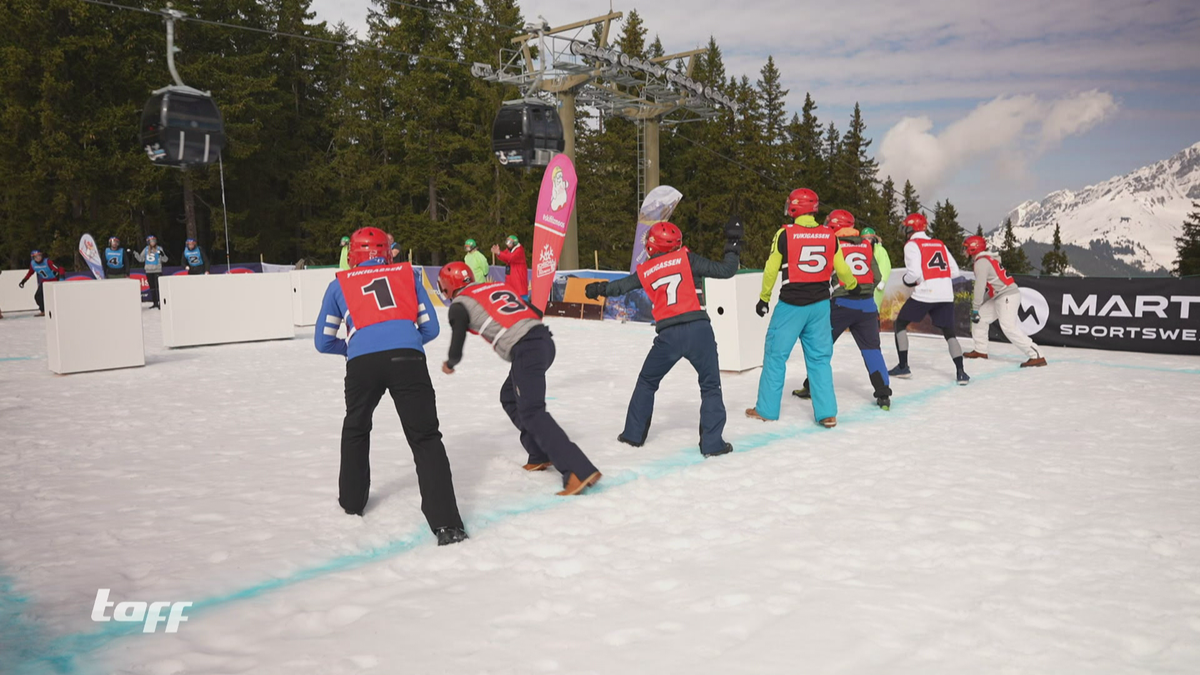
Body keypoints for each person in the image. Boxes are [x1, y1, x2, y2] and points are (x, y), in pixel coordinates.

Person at [314, 227, 467, 545]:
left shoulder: (338, 284)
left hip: (361, 364)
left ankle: (352, 503)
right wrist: (408, 343)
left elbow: (323, 340)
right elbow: (432, 327)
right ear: (387, 251)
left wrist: (353, 348)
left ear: (353, 254)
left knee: (356, 428)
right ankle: (447, 526)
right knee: (426, 438)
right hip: (408, 359)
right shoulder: (407, 274)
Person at [439, 262, 602, 495]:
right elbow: (533, 312)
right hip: (543, 341)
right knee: (509, 396)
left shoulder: (459, 304)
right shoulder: (495, 286)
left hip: (527, 349)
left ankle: (578, 469)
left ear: (446, 288)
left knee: (533, 411)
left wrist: (451, 362)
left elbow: (457, 340)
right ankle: (539, 453)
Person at [585, 219, 741, 457]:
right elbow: (726, 270)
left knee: (647, 382)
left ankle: (632, 436)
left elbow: (621, 287)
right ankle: (712, 445)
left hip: (668, 335)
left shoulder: (645, 270)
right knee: (710, 386)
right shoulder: (686, 258)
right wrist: (733, 242)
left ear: (651, 246)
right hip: (699, 330)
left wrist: (598, 289)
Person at [746, 190, 858, 427]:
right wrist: (853, 284)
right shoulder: (830, 234)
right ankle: (827, 413)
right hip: (820, 306)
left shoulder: (784, 234)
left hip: (791, 305)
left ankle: (766, 409)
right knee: (820, 358)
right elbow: (843, 269)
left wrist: (764, 298)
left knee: (776, 355)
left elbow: (770, 270)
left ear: (795, 207)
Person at [792, 212, 892, 410]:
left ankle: (811, 387)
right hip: (867, 306)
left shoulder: (832, 242)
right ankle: (883, 395)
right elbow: (876, 275)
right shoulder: (866, 244)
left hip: (841, 304)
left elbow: (821, 272)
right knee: (872, 350)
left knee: (820, 347)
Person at [888, 213, 969, 385]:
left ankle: (903, 366)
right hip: (946, 293)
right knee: (949, 333)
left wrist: (907, 280)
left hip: (925, 292)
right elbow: (954, 271)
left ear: (910, 228)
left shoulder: (912, 245)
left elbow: (914, 274)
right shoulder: (939, 243)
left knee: (900, 323)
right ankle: (961, 372)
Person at [962, 236, 1048, 367]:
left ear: (974, 247)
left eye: (967, 247)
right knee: (980, 318)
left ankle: (1036, 355)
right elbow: (990, 287)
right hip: (1000, 295)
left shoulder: (981, 262)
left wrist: (975, 307)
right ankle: (980, 350)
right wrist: (979, 307)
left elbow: (979, 286)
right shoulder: (986, 259)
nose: (965, 250)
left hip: (1007, 296)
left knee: (1008, 328)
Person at [19, 249, 64, 316]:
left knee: (55, 296)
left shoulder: (47, 261)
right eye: (36, 257)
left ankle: (60, 309)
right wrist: (23, 281)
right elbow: (30, 273)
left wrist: (62, 278)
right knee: (38, 296)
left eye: (39, 256)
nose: (38, 258)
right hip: (44, 282)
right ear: (33, 258)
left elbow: (60, 268)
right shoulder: (33, 264)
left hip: (54, 280)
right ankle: (43, 310)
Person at [860, 227, 891, 310]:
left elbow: (884, 265)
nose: (867, 241)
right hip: (865, 285)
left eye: (869, 238)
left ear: (874, 239)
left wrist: (883, 280)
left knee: (874, 307)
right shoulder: (861, 249)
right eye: (864, 239)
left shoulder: (879, 250)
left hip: (876, 285)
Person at [134, 235, 168, 309]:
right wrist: (135, 254)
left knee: (158, 287)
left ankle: (160, 302)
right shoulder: (146, 249)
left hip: (157, 270)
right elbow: (141, 259)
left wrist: (162, 255)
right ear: (148, 242)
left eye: (154, 241)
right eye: (151, 241)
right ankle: (155, 302)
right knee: (152, 287)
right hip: (149, 271)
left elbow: (165, 260)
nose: (153, 242)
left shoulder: (159, 248)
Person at [491, 235, 528, 299]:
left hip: (519, 279)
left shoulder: (519, 251)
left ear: (514, 243)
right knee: (512, 296)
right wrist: (498, 253)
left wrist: (499, 253)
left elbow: (510, 258)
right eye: (507, 242)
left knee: (522, 299)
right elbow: (505, 257)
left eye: (509, 243)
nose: (507, 244)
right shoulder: (509, 250)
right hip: (511, 279)